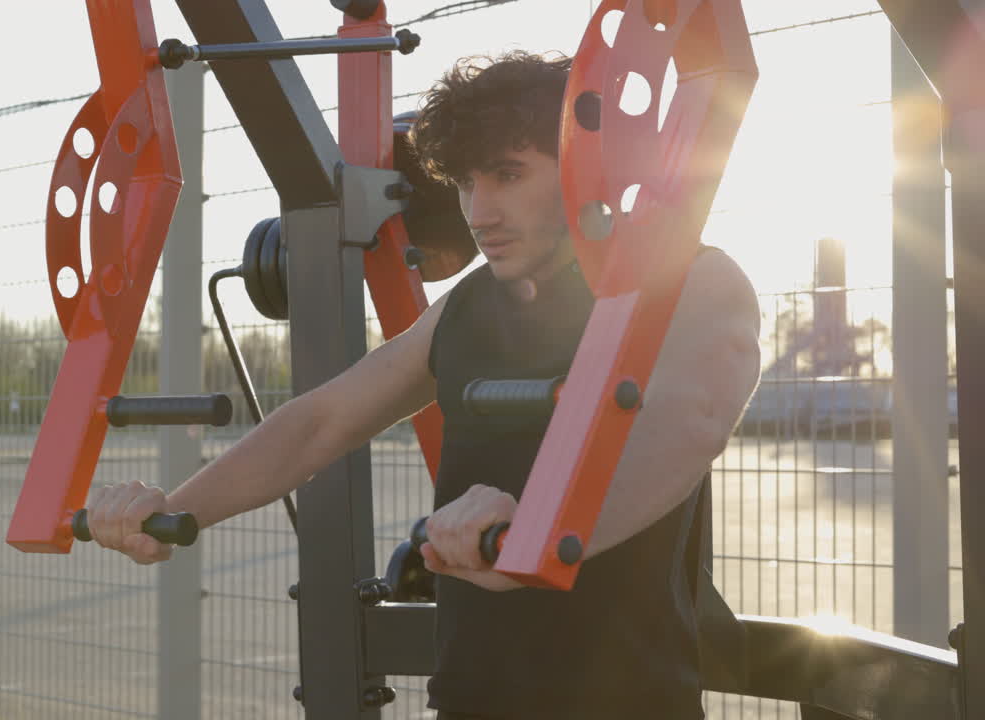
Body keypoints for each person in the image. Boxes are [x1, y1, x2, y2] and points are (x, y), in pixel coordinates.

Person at [85, 50, 762, 719]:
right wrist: (176, 514)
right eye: (466, 182)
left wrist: (540, 533)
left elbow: (690, 421)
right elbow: (323, 421)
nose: (479, 211)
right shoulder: (467, 309)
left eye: (508, 174)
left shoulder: (693, 280)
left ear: (589, 166)